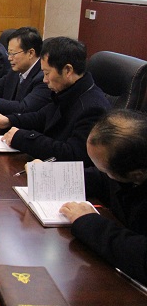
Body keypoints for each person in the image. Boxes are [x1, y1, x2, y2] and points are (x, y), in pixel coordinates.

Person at [0, 37, 111, 165]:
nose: (45, 80)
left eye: (47, 73)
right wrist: (9, 120)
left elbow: (72, 154)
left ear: (68, 70)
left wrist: (23, 138)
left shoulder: (92, 108)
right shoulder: (69, 91)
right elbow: (42, 116)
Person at [60, 109, 147, 285]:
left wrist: (87, 221)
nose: (103, 174)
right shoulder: (133, 165)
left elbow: (141, 256)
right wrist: (55, 175)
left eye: (105, 170)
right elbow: (103, 179)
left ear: (136, 176)